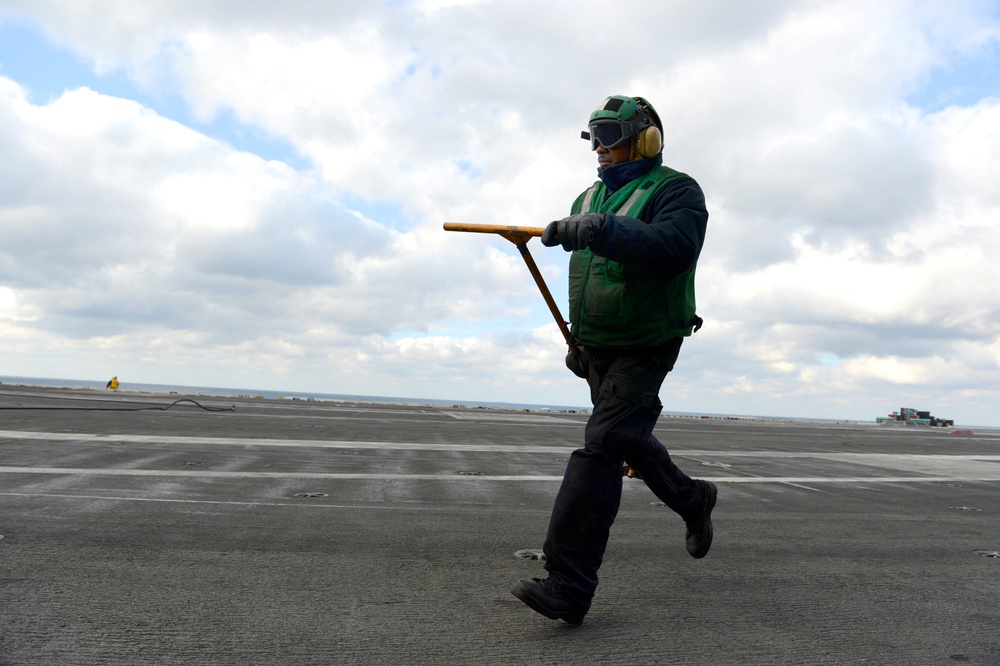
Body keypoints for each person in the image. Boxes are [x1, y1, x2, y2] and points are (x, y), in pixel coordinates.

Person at [510, 95, 717, 625]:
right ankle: (692, 499)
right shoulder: (587, 197)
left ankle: (569, 587)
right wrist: (579, 344)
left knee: (601, 447)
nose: (599, 149)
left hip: (647, 343)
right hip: (597, 346)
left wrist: (604, 229)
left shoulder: (677, 190)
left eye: (610, 136)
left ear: (645, 138)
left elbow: (675, 248)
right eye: (594, 137)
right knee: (624, 437)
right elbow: (590, 278)